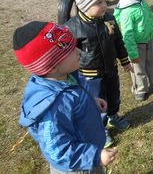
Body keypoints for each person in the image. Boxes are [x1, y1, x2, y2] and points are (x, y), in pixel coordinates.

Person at [15, 21, 117, 173]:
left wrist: (91, 101)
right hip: (77, 166)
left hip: (89, 152)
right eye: (69, 51)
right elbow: (58, 150)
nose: (79, 51)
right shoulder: (53, 106)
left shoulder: (67, 75)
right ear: (51, 64)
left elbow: (75, 96)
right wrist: (94, 156)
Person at [65, 0, 132, 149]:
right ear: (84, 5)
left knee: (113, 94)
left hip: (111, 69)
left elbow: (118, 41)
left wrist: (124, 61)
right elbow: (68, 55)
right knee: (97, 103)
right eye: (99, 2)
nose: (105, 5)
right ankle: (100, 129)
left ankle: (113, 115)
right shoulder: (73, 28)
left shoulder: (108, 19)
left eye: (105, 1)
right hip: (90, 76)